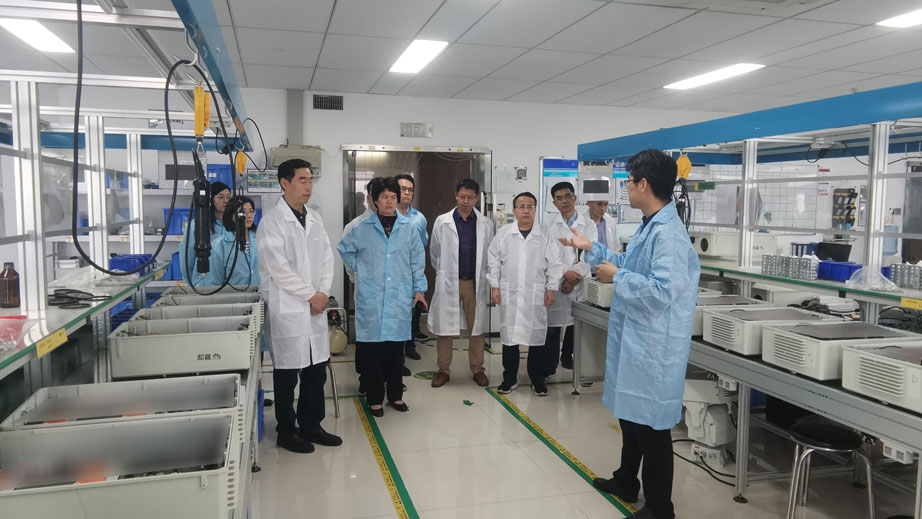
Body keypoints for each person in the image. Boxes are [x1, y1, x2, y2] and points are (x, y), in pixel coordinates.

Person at [558, 149, 700, 519]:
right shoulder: (651, 224)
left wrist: (618, 277)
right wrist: (591, 249)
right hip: (638, 341)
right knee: (631, 418)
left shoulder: (668, 234)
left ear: (644, 184)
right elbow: (627, 263)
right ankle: (626, 481)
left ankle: (660, 507)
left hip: (655, 348)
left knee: (651, 429)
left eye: (629, 182)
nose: (627, 188)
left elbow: (662, 291)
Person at [256, 159, 342, 454]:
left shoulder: (314, 218)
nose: (308, 186)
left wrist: (323, 294)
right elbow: (278, 269)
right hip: (289, 309)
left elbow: (328, 259)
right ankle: (286, 431)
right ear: (285, 183)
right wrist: (310, 296)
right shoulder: (272, 222)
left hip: (314, 307)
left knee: (316, 370)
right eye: (302, 180)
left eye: (310, 180)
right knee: (287, 373)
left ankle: (311, 425)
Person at [338, 177, 427, 417]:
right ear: (375, 200)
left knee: (395, 351)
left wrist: (419, 289)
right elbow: (344, 249)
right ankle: (375, 398)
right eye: (384, 197)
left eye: (393, 197)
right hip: (372, 296)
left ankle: (396, 396)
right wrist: (363, 270)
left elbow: (417, 261)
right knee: (372, 352)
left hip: (399, 296)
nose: (389, 201)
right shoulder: (362, 228)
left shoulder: (409, 227)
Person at [487, 192, 562, 396]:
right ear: (514, 211)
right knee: (509, 337)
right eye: (521, 206)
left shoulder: (545, 234)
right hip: (510, 294)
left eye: (530, 206)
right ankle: (509, 379)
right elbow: (493, 261)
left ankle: (537, 379)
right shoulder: (504, 233)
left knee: (536, 338)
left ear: (535, 210)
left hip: (536, 294)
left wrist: (551, 288)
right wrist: (495, 286)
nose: (526, 211)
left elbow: (554, 264)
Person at [428, 179, 494, 389]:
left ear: (477, 198)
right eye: (462, 197)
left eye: (470, 197)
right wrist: (445, 273)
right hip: (450, 281)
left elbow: (490, 254)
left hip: (474, 283)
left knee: (477, 328)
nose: (466, 201)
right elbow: (435, 253)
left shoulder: (486, 223)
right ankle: (443, 369)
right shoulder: (442, 221)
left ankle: (478, 368)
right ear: (456, 196)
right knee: (445, 328)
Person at [544, 182, 594, 373]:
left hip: (579, 282)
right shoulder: (548, 226)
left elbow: (591, 253)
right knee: (553, 325)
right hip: (557, 281)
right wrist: (565, 273)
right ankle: (549, 366)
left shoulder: (588, 224)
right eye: (559, 198)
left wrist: (574, 277)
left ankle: (568, 356)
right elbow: (548, 255)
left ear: (574, 198)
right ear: (554, 203)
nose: (564, 201)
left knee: (576, 323)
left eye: (567, 196)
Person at [344, 177, 383, 396]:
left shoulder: (397, 224)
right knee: (367, 339)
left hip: (392, 294)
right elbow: (349, 261)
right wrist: (361, 281)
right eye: (380, 196)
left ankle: (386, 379)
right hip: (367, 293)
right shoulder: (355, 226)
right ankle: (366, 380)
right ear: (370, 198)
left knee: (388, 340)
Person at [395, 174, 428, 362]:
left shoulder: (419, 218)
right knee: (395, 318)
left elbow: (423, 244)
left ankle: (410, 346)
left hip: (411, 273)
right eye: (403, 189)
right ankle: (396, 357)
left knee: (413, 312)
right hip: (393, 274)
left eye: (410, 190)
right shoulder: (387, 215)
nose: (407, 193)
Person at [179, 181, 230, 284]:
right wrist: (192, 283)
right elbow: (187, 256)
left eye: (228, 197)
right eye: (220, 197)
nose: (225, 201)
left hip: (231, 284)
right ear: (210, 199)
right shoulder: (199, 224)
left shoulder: (234, 224)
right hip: (205, 283)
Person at [205, 196, 259, 287]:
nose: (249, 215)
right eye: (243, 212)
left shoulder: (260, 239)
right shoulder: (220, 245)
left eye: (251, 211)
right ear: (232, 216)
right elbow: (214, 281)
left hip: (260, 294)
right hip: (233, 295)